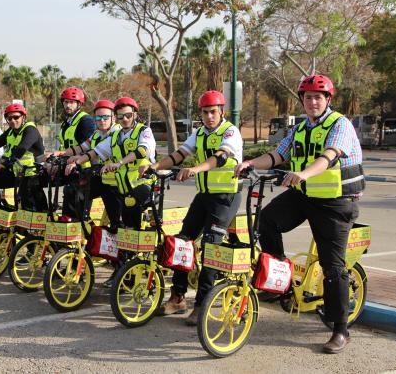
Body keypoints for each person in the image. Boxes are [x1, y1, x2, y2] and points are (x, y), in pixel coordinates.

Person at [235, 74, 365, 354]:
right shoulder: (301, 129)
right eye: (308, 97)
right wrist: (249, 163)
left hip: (335, 201)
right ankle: (279, 275)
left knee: (333, 266)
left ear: (328, 100)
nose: (313, 101)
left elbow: (329, 155)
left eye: (318, 97)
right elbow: (277, 155)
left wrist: (302, 174)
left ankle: (341, 329)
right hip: (305, 194)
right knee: (266, 220)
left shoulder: (340, 125)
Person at [152, 90, 243, 326]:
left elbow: (220, 158)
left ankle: (201, 304)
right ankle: (178, 297)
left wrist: (195, 169)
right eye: (205, 112)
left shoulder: (230, 132)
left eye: (213, 111)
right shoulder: (199, 132)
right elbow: (181, 154)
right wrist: (155, 166)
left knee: (210, 249)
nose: (209, 116)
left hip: (225, 198)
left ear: (221, 111)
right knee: (182, 242)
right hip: (204, 196)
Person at [77, 96, 156, 287]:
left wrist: (119, 162)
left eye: (128, 115)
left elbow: (142, 151)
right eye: (120, 117)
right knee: (121, 230)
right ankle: (123, 271)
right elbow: (97, 152)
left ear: (135, 114)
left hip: (143, 187)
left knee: (129, 225)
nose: (125, 119)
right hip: (123, 188)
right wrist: (74, 161)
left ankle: (135, 273)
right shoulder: (116, 135)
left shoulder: (144, 131)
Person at [62, 99, 120, 222]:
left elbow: (94, 153)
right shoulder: (96, 134)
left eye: (105, 117)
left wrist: (77, 161)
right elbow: (82, 147)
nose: (102, 120)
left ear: (113, 118)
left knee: (117, 223)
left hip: (117, 182)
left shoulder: (117, 133)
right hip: (102, 177)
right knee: (73, 189)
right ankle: (77, 223)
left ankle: (85, 223)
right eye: (98, 118)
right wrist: (59, 153)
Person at [52, 87, 95, 218]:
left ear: (79, 104)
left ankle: (74, 226)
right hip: (68, 165)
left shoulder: (85, 121)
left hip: (83, 168)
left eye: (71, 102)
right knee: (37, 178)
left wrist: (71, 159)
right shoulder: (66, 123)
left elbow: (88, 147)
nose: (68, 105)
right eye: (65, 102)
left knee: (73, 196)